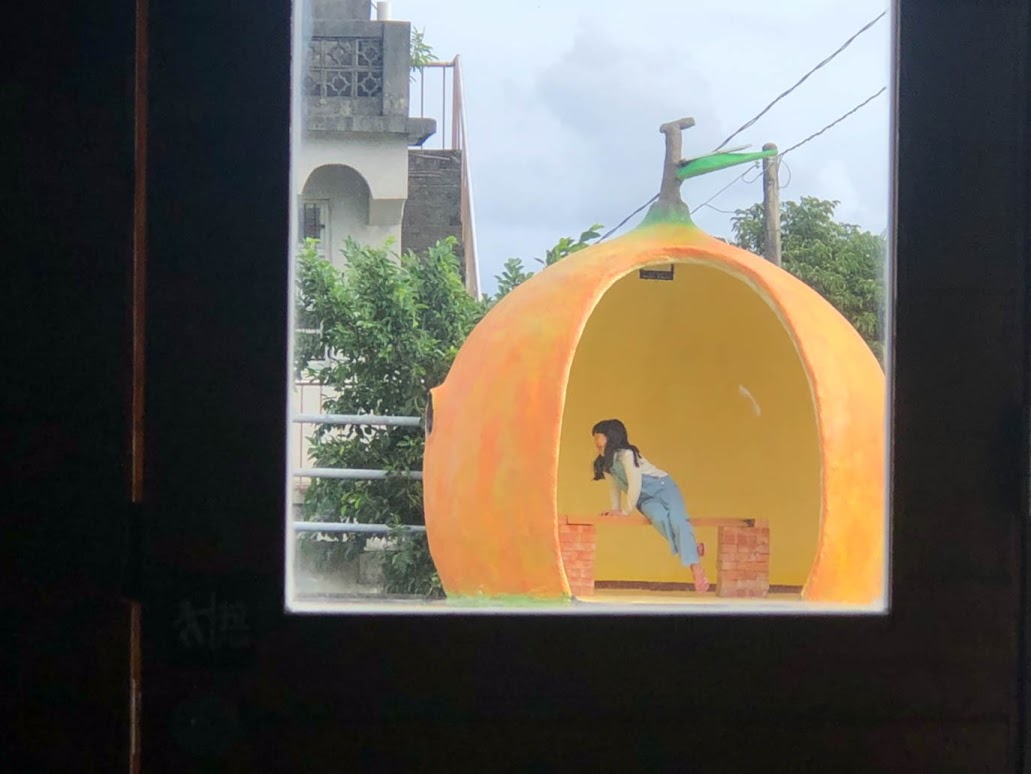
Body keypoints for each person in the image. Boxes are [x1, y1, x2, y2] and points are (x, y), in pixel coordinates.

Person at [591, 419, 709, 593]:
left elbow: (635, 483)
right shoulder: (606, 463)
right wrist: (615, 508)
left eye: (599, 438)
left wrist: (625, 511)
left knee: (678, 521)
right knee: (659, 518)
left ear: (612, 437)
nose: (596, 442)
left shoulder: (627, 455)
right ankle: (692, 547)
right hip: (645, 499)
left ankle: (697, 569)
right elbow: (614, 486)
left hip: (663, 487)